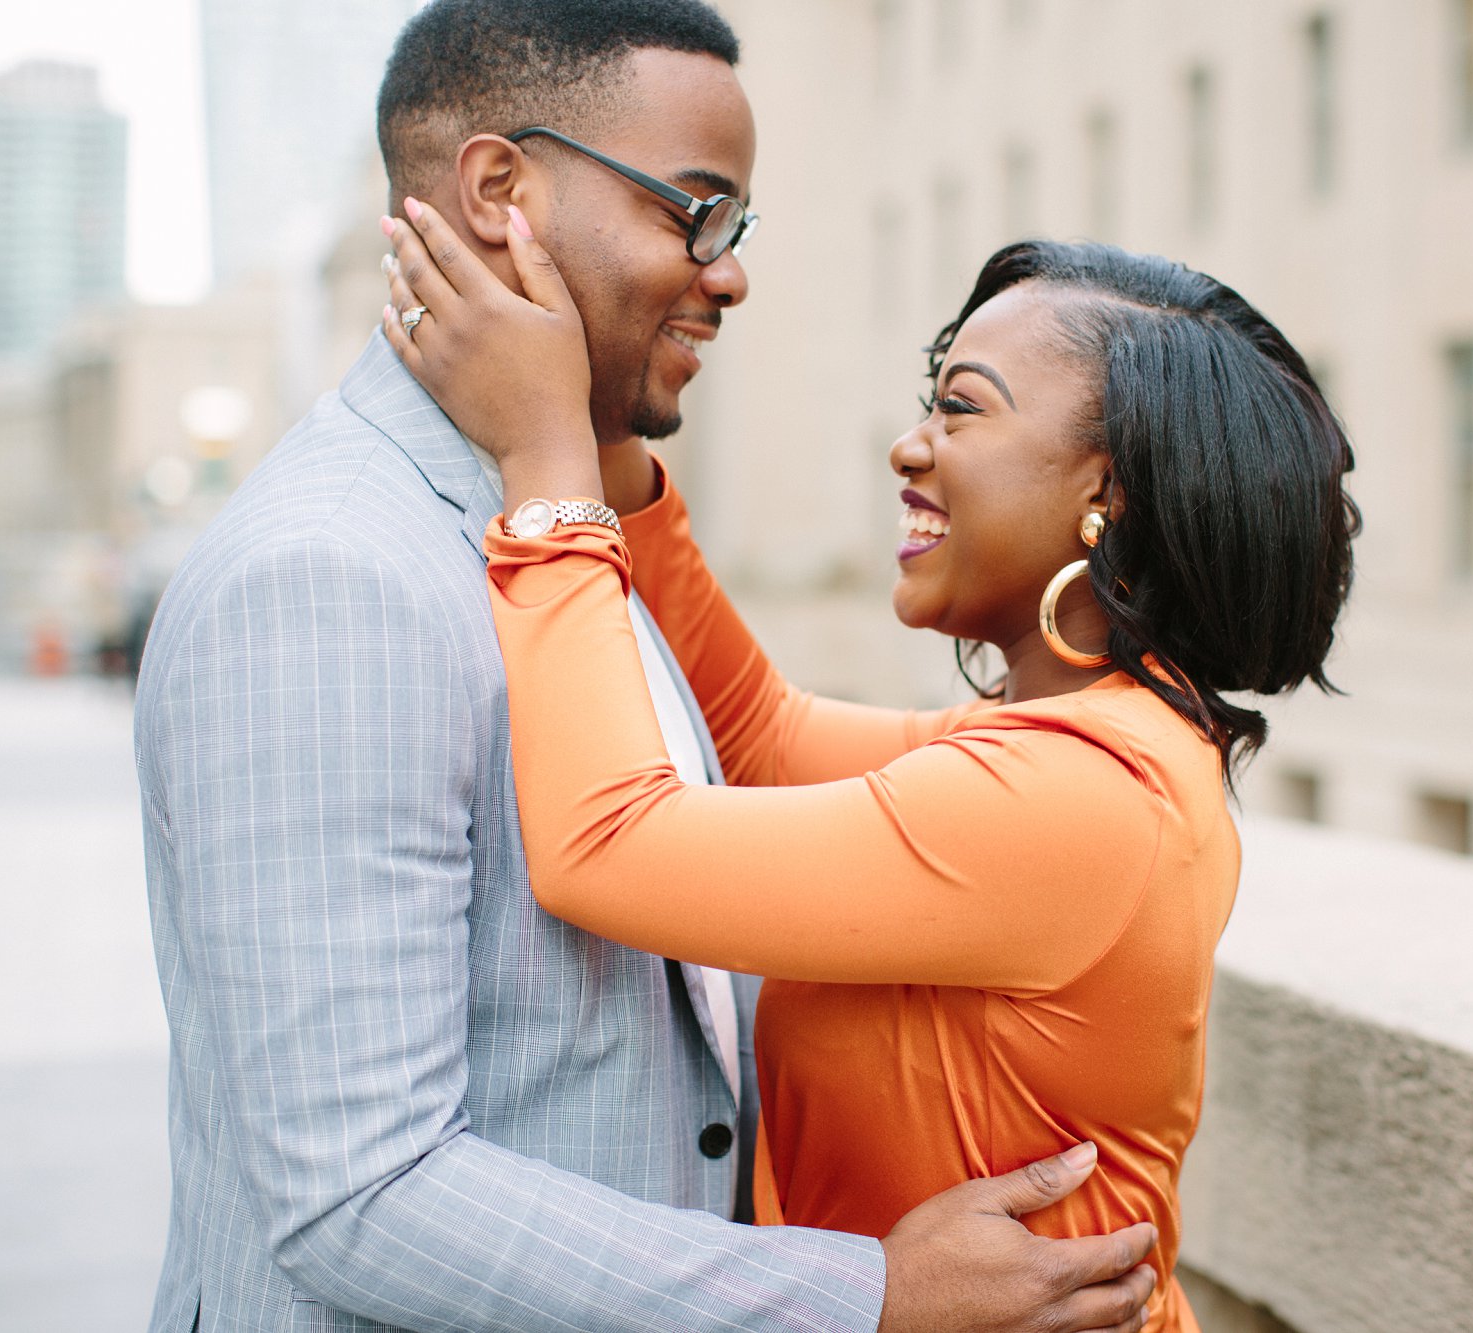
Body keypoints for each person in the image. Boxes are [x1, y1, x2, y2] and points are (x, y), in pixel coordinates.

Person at [134, 1, 1159, 1329]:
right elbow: (360, 1193)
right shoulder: (331, 577)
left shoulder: (545, 520)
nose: (727, 275)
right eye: (696, 211)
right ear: (498, 194)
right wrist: (861, 1297)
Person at [374, 194, 1361, 1329]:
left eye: (961, 407)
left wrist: (546, 465)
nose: (911, 444)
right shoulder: (1088, 742)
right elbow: (758, 739)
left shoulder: (1083, 795)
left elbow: (603, 842)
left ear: (1106, 493)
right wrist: (605, 423)